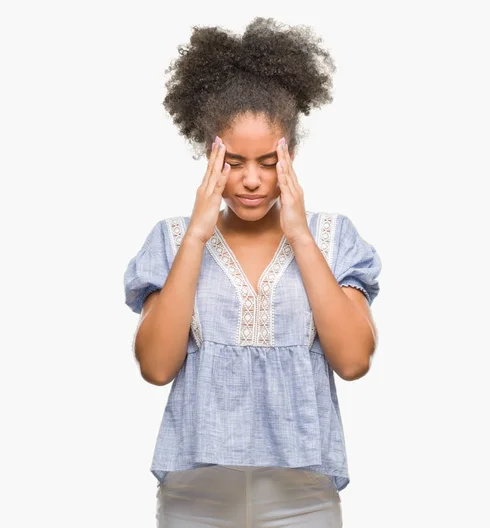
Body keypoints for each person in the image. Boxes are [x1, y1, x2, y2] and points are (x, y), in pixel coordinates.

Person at [123, 17, 382, 528]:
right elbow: (155, 368)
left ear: (291, 154)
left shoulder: (332, 238)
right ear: (207, 152)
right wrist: (197, 235)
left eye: (267, 161)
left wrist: (300, 236)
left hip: (302, 497)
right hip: (194, 498)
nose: (250, 180)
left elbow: (353, 361)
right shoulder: (173, 240)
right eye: (233, 161)